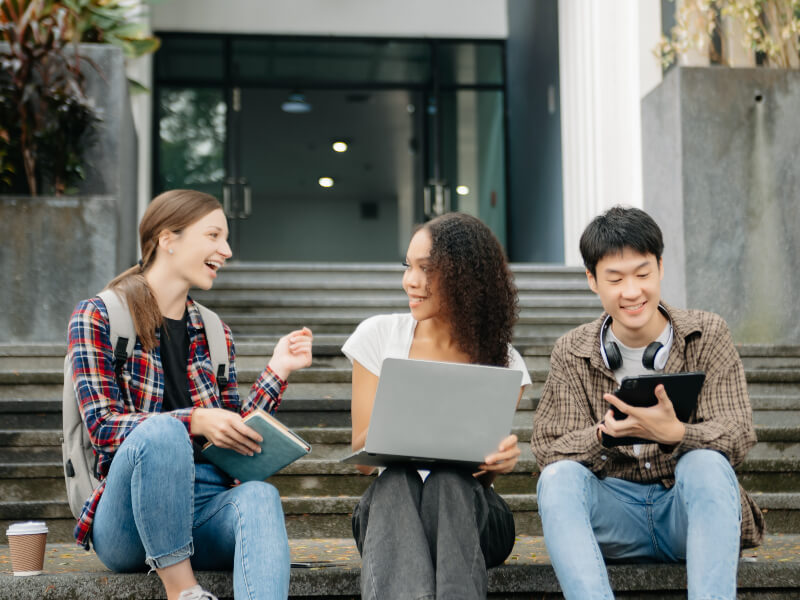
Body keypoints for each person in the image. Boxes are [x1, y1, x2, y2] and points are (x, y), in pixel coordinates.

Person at [68, 189, 313, 600]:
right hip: (127, 519)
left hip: (204, 510)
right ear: (168, 239)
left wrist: (278, 369)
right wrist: (194, 420)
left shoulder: (215, 331)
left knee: (259, 496)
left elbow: (233, 437)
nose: (227, 250)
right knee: (164, 432)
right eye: (214, 235)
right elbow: (103, 427)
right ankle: (184, 592)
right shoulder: (98, 316)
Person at [531, 206, 765, 600]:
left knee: (706, 462)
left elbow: (739, 433)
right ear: (592, 280)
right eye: (615, 278)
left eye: (642, 274)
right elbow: (548, 448)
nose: (632, 291)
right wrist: (603, 436)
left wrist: (677, 434)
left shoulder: (706, 334)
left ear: (660, 268)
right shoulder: (572, 351)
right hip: (613, 519)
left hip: (685, 515)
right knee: (557, 480)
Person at [342, 212, 531, 599]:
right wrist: (404, 425)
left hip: (472, 513)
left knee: (448, 482)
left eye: (426, 269)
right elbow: (363, 461)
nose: (410, 281)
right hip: (388, 515)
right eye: (408, 267)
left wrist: (498, 464)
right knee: (397, 480)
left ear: (465, 277)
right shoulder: (378, 336)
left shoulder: (503, 359)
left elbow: (479, 478)